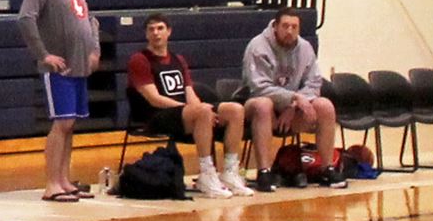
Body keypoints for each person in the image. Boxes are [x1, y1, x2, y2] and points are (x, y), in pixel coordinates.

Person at [126, 14, 249, 197]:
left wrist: (200, 109)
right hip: (155, 116)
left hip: (184, 113)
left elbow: (190, 93)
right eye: (151, 29)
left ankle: (230, 171)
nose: (156, 33)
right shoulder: (140, 59)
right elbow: (154, 98)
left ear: (169, 32)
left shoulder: (178, 59)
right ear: (146, 34)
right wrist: (191, 110)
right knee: (202, 111)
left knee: (235, 110)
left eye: (160, 28)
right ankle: (207, 173)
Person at [18, 0, 98, 202]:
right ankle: (51, 183)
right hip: (59, 68)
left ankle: (64, 179)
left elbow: (88, 21)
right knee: (61, 122)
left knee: (71, 124)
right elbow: (26, 19)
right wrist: (44, 54)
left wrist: (94, 51)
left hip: (79, 66)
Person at [242, 11, 342, 190]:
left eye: (294, 27)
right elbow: (259, 87)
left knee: (325, 106)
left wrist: (294, 105)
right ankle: (264, 172)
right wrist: (293, 97)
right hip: (258, 107)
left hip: (292, 110)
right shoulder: (258, 46)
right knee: (263, 105)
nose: (289, 31)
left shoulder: (305, 48)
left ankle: (327, 168)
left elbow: (314, 82)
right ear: (275, 27)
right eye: (285, 26)